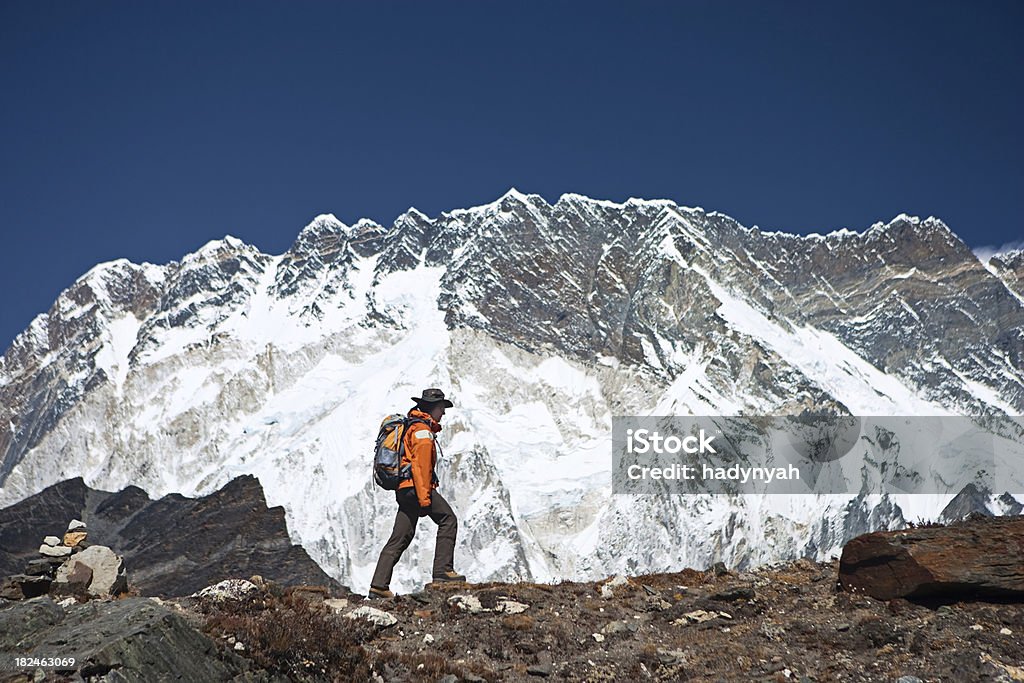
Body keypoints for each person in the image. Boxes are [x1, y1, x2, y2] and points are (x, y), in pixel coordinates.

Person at [368, 388, 466, 598]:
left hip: (404, 489)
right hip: (415, 488)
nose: (444, 413)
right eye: (441, 408)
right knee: (448, 519)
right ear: (432, 408)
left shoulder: (413, 427)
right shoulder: (422, 432)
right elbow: (420, 468)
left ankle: (379, 585)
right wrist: (424, 499)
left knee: (400, 536)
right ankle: (443, 573)